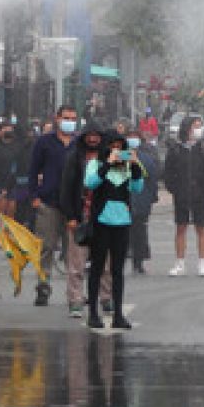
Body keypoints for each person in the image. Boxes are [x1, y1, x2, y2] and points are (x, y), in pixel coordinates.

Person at [83, 130, 143, 329]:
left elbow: (137, 187)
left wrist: (134, 165)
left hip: (122, 222)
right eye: (112, 146)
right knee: (97, 268)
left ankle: (118, 314)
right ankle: (92, 312)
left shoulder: (126, 166)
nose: (117, 150)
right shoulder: (96, 164)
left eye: (120, 146)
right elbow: (90, 183)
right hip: (101, 221)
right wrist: (108, 163)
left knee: (118, 270)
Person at [59, 122, 113, 318]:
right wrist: (70, 216)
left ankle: (106, 299)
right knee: (76, 265)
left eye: (96, 136)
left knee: (106, 264)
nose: (92, 139)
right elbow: (66, 188)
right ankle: (75, 301)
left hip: (105, 219)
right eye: (89, 135)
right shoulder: (74, 158)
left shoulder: (109, 158)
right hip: (81, 217)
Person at [28, 105, 79, 307]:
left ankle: (74, 293)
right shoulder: (44, 142)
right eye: (66, 117)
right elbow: (33, 170)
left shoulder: (79, 144)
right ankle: (43, 286)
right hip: (48, 203)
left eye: (73, 118)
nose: (69, 121)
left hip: (73, 205)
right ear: (57, 118)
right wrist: (34, 197)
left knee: (73, 251)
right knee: (46, 247)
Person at [163, 114, 204, 277]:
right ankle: (179, 263)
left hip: (200, 195)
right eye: (195, 125)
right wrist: (174, 189)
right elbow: (168, 173)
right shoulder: (175, 150)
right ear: (186, 128)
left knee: (201, 228)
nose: (198, 129)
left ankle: (203, 263)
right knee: (181, 227)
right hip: (181, 195)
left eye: (200, 125)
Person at [0, 117, 34, 224]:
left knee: (11, 213)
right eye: (5, 129)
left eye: (10, 129)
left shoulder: (17, 144)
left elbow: (26, 137)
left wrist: (17, 122)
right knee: (1, 214)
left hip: (13, 183)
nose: (8, 132)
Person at [128, 129, 159, 273]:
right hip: (123, 202)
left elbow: (152, 180)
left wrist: (151, 198)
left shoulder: (146, 159)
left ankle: (138, 261)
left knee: (139, 232)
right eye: (130, 137)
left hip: (141, 201)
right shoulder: (118, 157)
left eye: (135, 137)